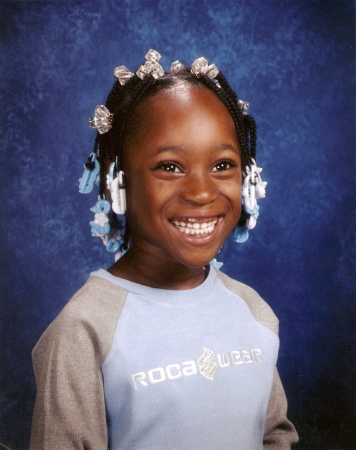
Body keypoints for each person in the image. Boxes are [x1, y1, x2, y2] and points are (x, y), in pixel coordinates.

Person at [30, 50, 299, 449]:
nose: (202, 192)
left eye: (222, 164)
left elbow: (274, 436)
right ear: (113, 180)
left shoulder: (253, 312)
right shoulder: (84, 331)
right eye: (170, 167)